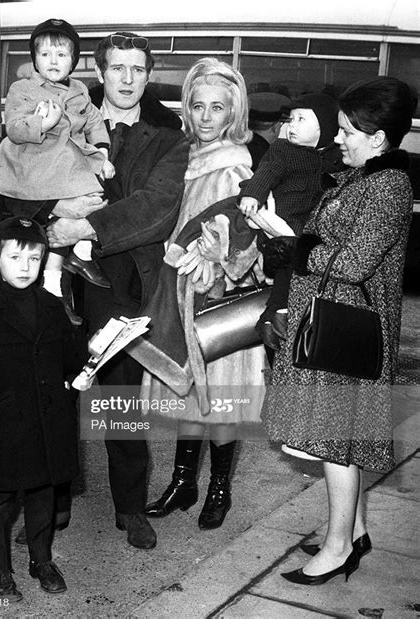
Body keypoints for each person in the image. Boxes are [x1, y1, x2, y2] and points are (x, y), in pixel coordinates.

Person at [262, 76, 414, 585]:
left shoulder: (387, 185)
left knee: (334, 444)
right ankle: (357, 530)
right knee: (335, 440)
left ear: (378, 137)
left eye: (348, 131)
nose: (339, 138)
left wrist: (294, 246)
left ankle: (338, 546)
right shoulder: (363, 175)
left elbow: (354, 263)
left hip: (347, 333)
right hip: (334, 324)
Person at [46, 32, 189, 549]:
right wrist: (49, 219)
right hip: (58, 278)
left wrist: (82, 227)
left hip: (124, 283)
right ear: (99, 71)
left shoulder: (171, 137)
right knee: (53, 392)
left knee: (120, 399)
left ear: (148, 75)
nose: (127, 80)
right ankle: (53, 503)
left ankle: (129, 508)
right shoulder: (64, 119)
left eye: (137, 69)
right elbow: (27, 184)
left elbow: (156, 208)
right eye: (117, 68)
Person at [139, 58, 265, 530]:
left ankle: (219, 488)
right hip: (181, 296)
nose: (208, 116)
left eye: (218, 107)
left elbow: (253, 248)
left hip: (219, 304)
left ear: (233, 113)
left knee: (222, 401)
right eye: (199, 106)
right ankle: (183, 482)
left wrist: (219, 258)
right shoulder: (185, 161)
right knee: (191, 393)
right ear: (187, 112)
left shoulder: (236, 170)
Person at [0, 217, 84, 601]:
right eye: (15, 257)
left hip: (48, 421)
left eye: (34, 258)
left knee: (43, 494)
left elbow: (69, 358)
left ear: (44, 261)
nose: (25, 267)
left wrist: (79, 375)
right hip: (5, 425)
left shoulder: (52, 307)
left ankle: (41, 559)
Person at [0, 18, 115, 323]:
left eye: (61, 55)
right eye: (46, 54)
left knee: (95, 198)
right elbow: (14, 128)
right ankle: (55, 279)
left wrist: (102, 148)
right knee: (70, 209)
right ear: (34, 59)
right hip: (35, 164)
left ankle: (79, 257)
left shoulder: (79, 91)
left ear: (73, 61)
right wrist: (43, 124)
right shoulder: (23, 88)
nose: (53, 61)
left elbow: (94, 120)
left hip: (67, 162)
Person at [238, 93, 343, 351]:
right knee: (292, 258)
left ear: (325, 129)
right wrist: (253, 194)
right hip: (283, 217)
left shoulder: (333, 159)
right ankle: (278, 310)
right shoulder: (283, 150)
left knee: (294, 263)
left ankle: (272, 315)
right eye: (291, 119)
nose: (292, 125)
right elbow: (266, 173)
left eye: (301, 119)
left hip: (305, 221)